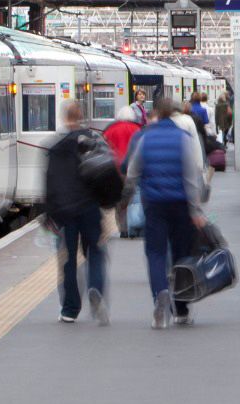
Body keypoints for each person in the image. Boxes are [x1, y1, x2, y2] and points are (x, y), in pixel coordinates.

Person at [122, 97, 207, 329]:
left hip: (155, 205)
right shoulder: (184, 138)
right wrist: (196, 210)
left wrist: (127, 197)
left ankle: (160, 294)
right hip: (180, 206)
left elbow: (132, 172)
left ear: (157, 113)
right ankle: (181, 309)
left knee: (156, 253)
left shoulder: (145, 137)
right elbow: (190, 178)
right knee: (181, 256)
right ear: (174, 114)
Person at [44, 102, 108, 325]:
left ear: (65, 119)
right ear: (82, 117)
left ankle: (70, 309)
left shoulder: (56, 147)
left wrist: (49, 215)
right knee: (96, 253)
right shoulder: (95, 142)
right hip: (90, 208)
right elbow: (106, 174)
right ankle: (96, 290)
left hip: (65, 212)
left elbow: (49, 184)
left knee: (68, 261)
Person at [104, 105, 142, 236]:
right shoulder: (137, 129)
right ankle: (134, 225)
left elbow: (104, 149)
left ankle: (123, 229)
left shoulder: (110, 130)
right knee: (134, 198)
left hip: (115, 171)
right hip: (133, 170)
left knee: (119, 202)